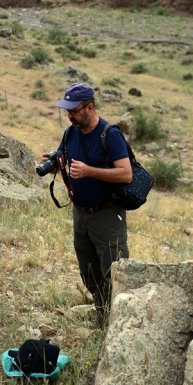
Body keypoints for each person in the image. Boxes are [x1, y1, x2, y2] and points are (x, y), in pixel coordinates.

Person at [48, 82, 132, 324]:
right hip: (80, 213)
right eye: (67, 111)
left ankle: (119, 323)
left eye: (73, 111)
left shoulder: (110, 134)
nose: (69, 115)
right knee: (89, 270)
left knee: (113, 270)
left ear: (90, 107)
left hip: (107, 214)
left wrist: (89, 172)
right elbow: (65, 155)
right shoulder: (70, 133)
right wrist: (55, 162)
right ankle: (102, 315)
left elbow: (125, 174)